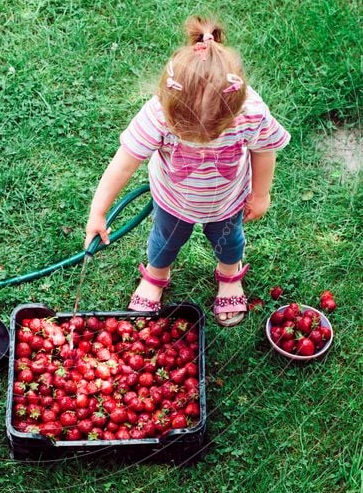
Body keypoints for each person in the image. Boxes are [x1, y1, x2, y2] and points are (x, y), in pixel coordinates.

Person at [84, 16, 291, 326]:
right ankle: (156, 277)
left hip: (227, 199)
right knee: (165, 240)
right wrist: (98, 212)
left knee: (229, 240)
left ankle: (229, 275)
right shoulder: (158, 115)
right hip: (172, 198)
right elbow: (122, 165)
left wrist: (261, 194)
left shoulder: (250, 112)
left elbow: (264, 151)